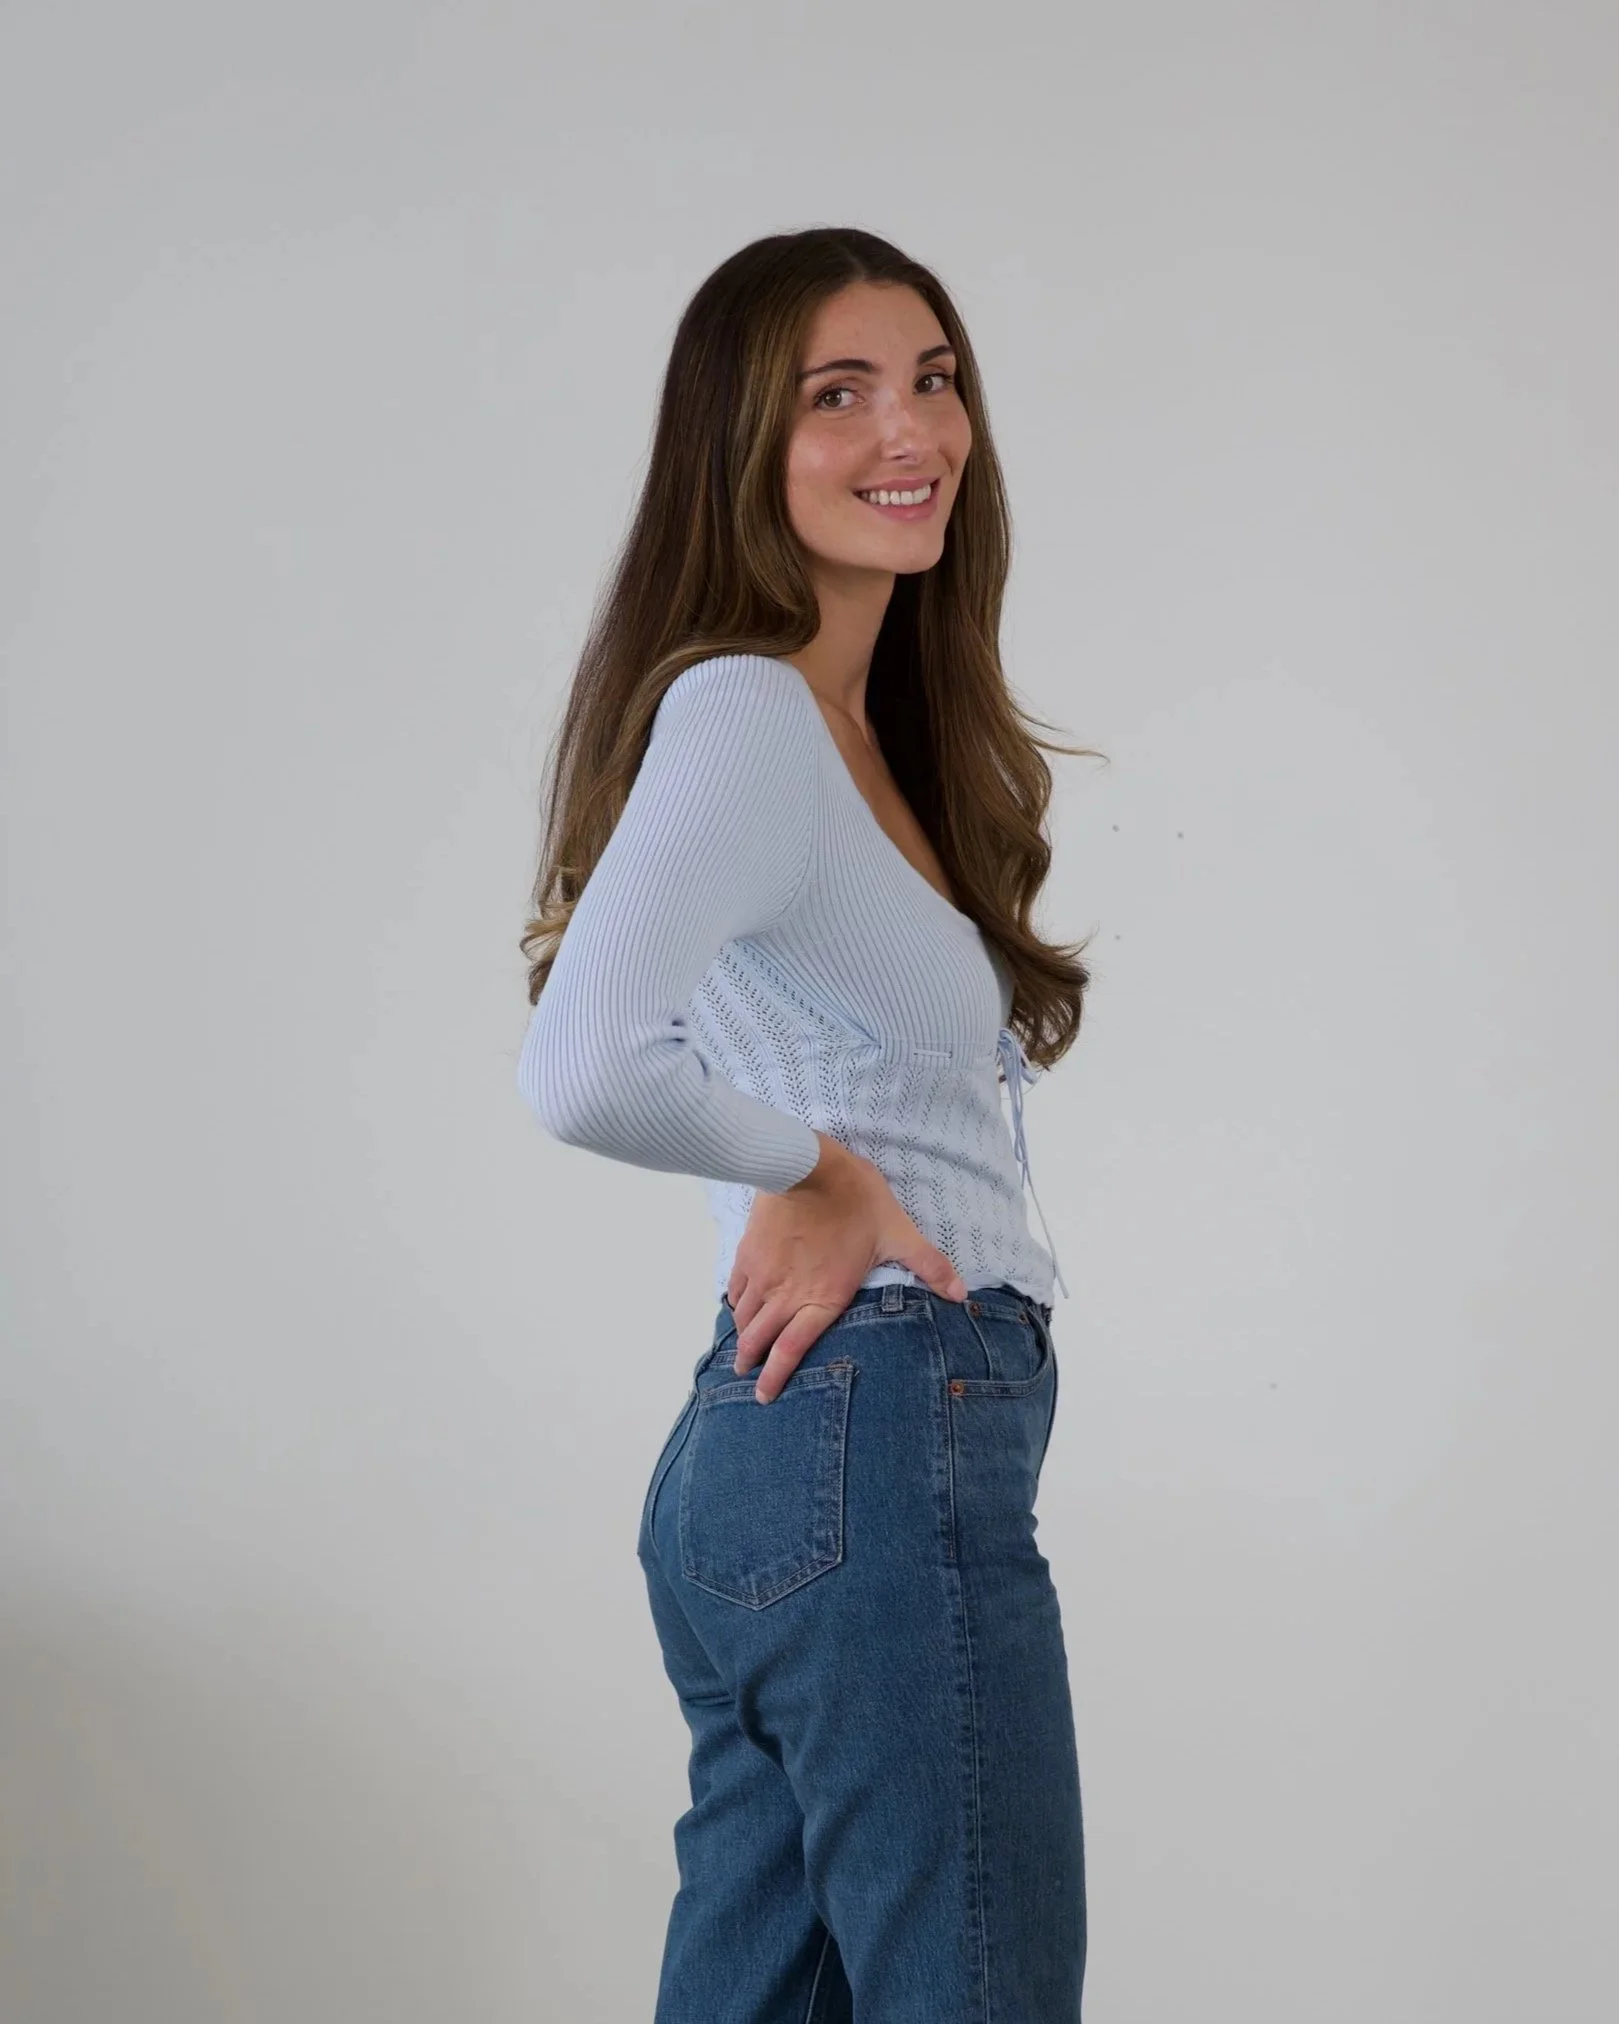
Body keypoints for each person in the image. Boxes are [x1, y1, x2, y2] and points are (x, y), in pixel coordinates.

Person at [516, 226, 1099, 2022]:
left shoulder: (857, 733)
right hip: (876, 1424)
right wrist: (819, 1173)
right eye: (833, 394)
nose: (906, 427)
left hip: (792, 1450)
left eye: (930, 378)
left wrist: (816, 1173)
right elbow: (582, 1061)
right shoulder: (751, 712)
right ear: (740, 448)